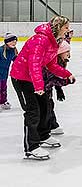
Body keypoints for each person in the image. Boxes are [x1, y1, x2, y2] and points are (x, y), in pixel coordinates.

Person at [11, 16, 75, 160]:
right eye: (66, 27)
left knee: (45, 107)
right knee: (32, 112)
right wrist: (39, 86)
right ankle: (31, 147)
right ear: (58, 27)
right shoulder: (41, 40)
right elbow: (33, 64)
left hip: (34, 79)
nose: (68, 30)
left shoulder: (54, 42)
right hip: (21, 78)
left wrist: (66, 74)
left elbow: (51, 65)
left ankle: (43, 136)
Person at [43, 41, 74, 136]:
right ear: (60, 52)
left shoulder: (62, 62)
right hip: (41, 88)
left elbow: (56, 78)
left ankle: (52, 125)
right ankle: (46, 129)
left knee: (50, 106)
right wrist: (65, 83)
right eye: (67, 51)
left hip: (47, 88)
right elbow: (51, 79)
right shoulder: (52, 63)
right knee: (46, 108)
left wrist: (59, 89)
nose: (69, 54)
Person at [0, 33, 18, 110]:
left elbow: (17, 61)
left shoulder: (13, 51)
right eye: (12, 41)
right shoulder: (1, 50)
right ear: (7, 42)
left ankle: (3, 102)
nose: (14, 43)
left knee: (3, 87)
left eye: (15, 41)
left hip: (4, 74)